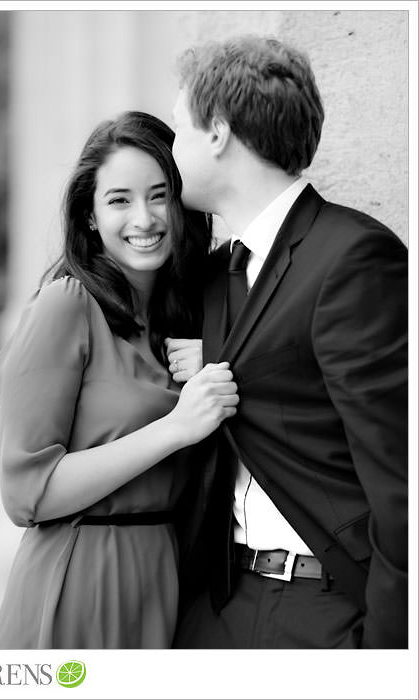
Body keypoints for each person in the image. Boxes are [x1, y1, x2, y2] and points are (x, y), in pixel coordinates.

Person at [168, 35, 408, 648]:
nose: (172, 154)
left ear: (217, 133)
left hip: (320, 611)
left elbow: (401, 479)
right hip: (220, 604)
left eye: (178, 132)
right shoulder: (223, 271)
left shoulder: (352, 257)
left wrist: (385, 656)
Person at [0, 111, 239, 649]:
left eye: (159, 195)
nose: (145, 219)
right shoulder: (65, 307)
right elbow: (24, 494)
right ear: (90, 218)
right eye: (119, 200)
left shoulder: (191, 315)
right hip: (82, 576)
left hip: (166, 577)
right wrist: (174, 427)